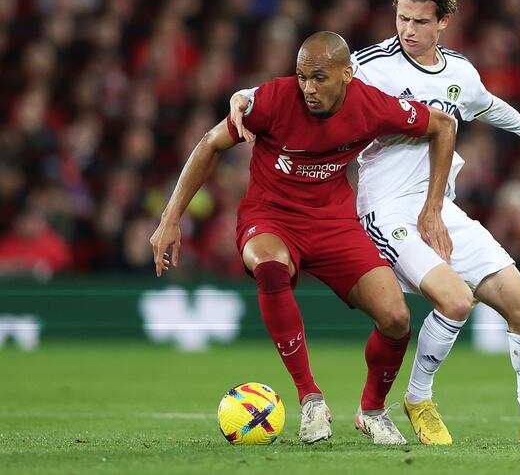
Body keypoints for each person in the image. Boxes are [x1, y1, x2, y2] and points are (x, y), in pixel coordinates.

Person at [233, 0, 520, 446]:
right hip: (387, 210)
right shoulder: (370, 64)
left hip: (441, 209)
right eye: (401, 18)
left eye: (419, 21)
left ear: (443, 22)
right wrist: (246, 97)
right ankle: (417, 399)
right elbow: (307, 81)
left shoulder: (460, 72)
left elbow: (486, 106)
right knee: (456, 300)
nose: (407, 30)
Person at [151, 31, 457, 445]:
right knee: (270, 266)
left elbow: (443, 124)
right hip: (271, 217)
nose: (308, 89)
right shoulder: (275, 99)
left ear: (347, 74)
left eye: (319, 78)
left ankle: (371, 411)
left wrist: (432, 206)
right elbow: (210, 143)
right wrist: (171, 219)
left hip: (334, 224)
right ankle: (310, 398)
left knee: (397, 318)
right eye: (302, 77)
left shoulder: (370, 105)